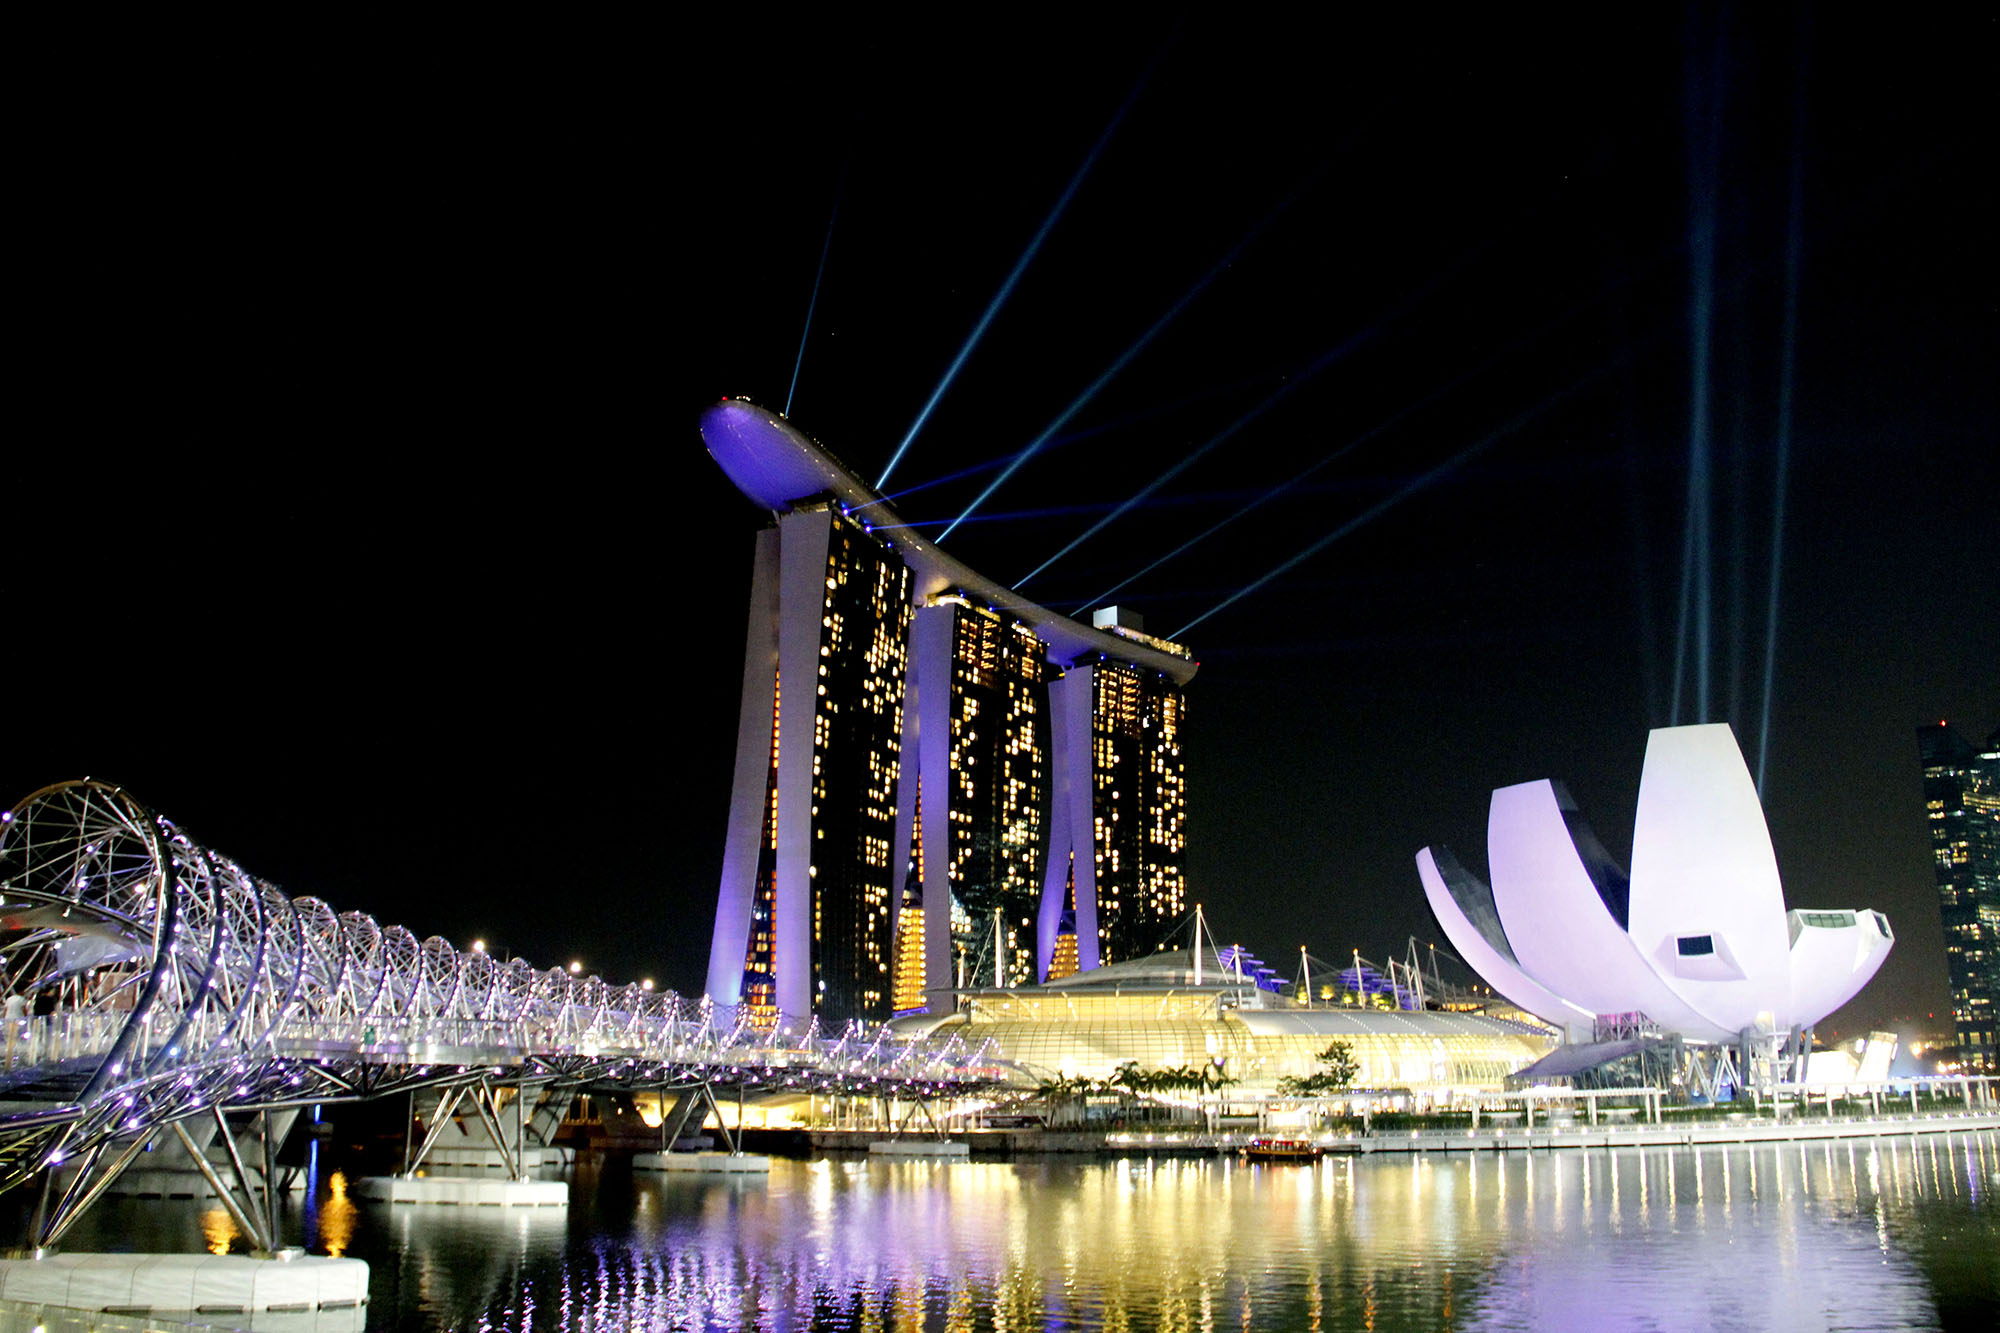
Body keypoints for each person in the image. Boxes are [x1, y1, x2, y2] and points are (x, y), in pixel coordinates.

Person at [3, 991, 26, 1068]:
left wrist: (3, 1018)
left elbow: (5, 1009)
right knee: (17, 1035)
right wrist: (26, 1017)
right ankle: (15, 1050)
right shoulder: (22, 999)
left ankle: (9, 1048)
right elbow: (23, 1009)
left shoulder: (9, 998)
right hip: (17, 1018)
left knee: (9, 1034)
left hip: (8, 1018)